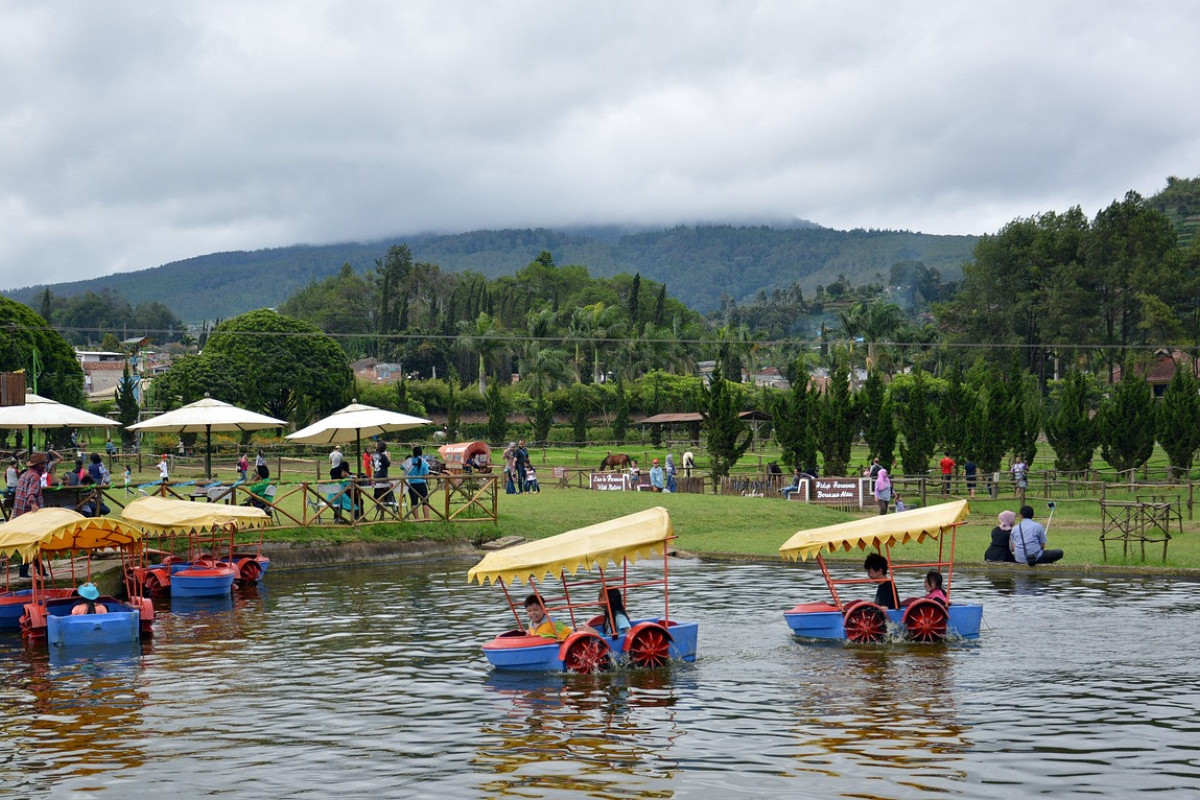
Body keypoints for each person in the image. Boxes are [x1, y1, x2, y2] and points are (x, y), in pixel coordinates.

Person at [14, 453, 48, 577]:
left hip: (19, 515)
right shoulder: (35, 477)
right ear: (38, 465)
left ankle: (37, 570)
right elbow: (31, 494)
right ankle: (36, 571)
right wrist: (33, 504)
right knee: (33, 543)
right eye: (43, 464)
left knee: (29, 544)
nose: (45, 466)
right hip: (29, 515)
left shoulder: (24, 475)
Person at [405, 446, 431, 520]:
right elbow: (426, 475)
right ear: (421, 453)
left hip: (412, 484)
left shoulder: (409, 462)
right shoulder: (424, 462)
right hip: (421, 484)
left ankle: (417, 519)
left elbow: (402, 468)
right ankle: (426, 518)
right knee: (425, 502)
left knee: (414, 502)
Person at [372, 441, 393, 506]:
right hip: (383, 476)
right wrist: (389, 456)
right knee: (386, 493)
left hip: (376, 476)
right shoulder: (383, 455)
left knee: (379, 493)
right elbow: (388, 464)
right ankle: (384, 506)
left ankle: (380, 508)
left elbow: (373, 464)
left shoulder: (374, 455)